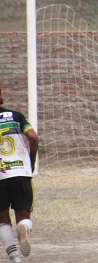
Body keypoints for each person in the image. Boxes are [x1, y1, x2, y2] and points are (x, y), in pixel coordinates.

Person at [0, 90, 38, 263]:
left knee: (2, 219)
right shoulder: (16, 116)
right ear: (1, 99)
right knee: (24, 213)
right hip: (20, 171)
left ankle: (15, 258)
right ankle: (23, 227)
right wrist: (31, 161)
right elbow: (33, 137)